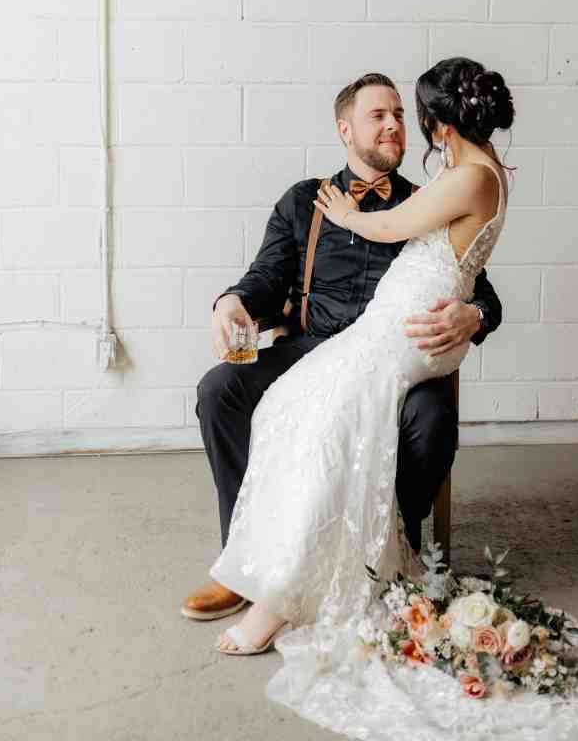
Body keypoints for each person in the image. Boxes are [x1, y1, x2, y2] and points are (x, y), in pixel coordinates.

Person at [185, 67, 504, 624]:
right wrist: (231, 301)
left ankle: (377, 557)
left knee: (432, 420)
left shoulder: (428, 198)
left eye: (399, 114)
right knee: (221, 390)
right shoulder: (303, 200)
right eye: (377, 115)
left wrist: (471, 314)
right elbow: (266, 276)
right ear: (345, 129)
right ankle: (245, 561)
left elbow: (483, 288)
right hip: (308, 345)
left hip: (394, 355)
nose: (393, 125)